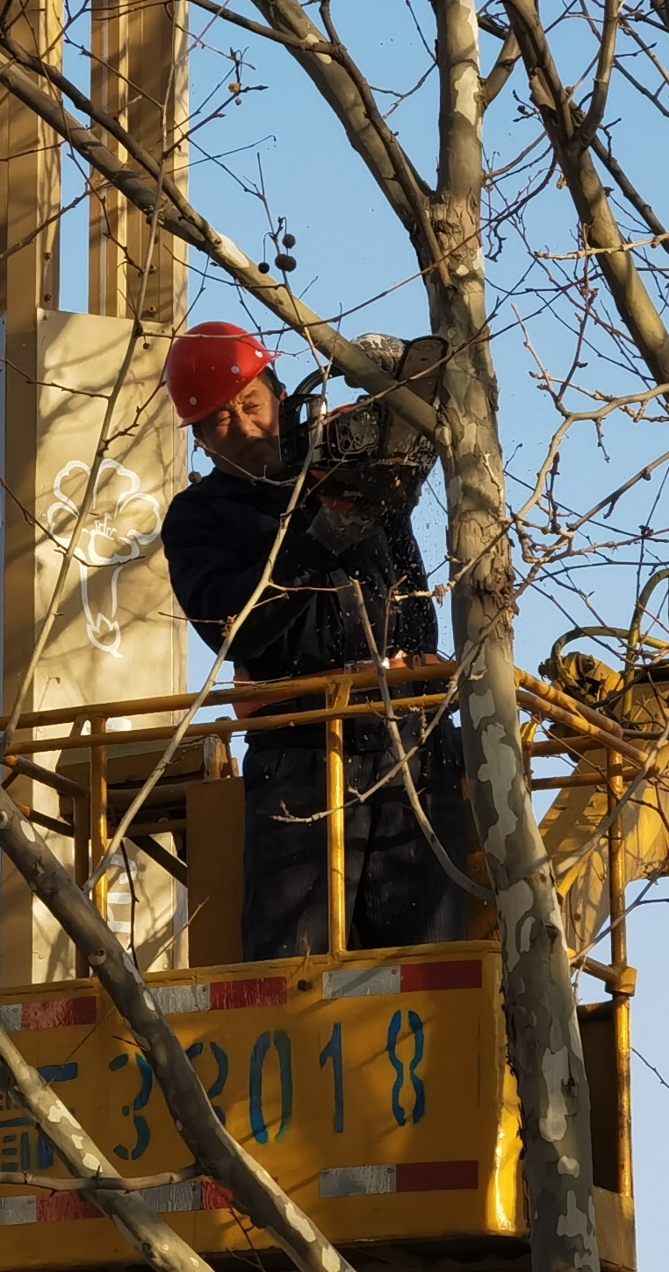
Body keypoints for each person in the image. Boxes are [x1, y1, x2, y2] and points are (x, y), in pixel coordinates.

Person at [158, 321, 469, 962]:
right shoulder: (201, 519)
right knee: (294, 966)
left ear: (277, 394)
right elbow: (228, 622)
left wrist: (389, 378)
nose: (244, 429)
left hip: (413, 735)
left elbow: (446, 420)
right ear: (198, 438)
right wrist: (314, 540)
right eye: (219, 422)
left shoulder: (349, 458)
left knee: (431, 965)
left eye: (252, 404)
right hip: (301, 748)